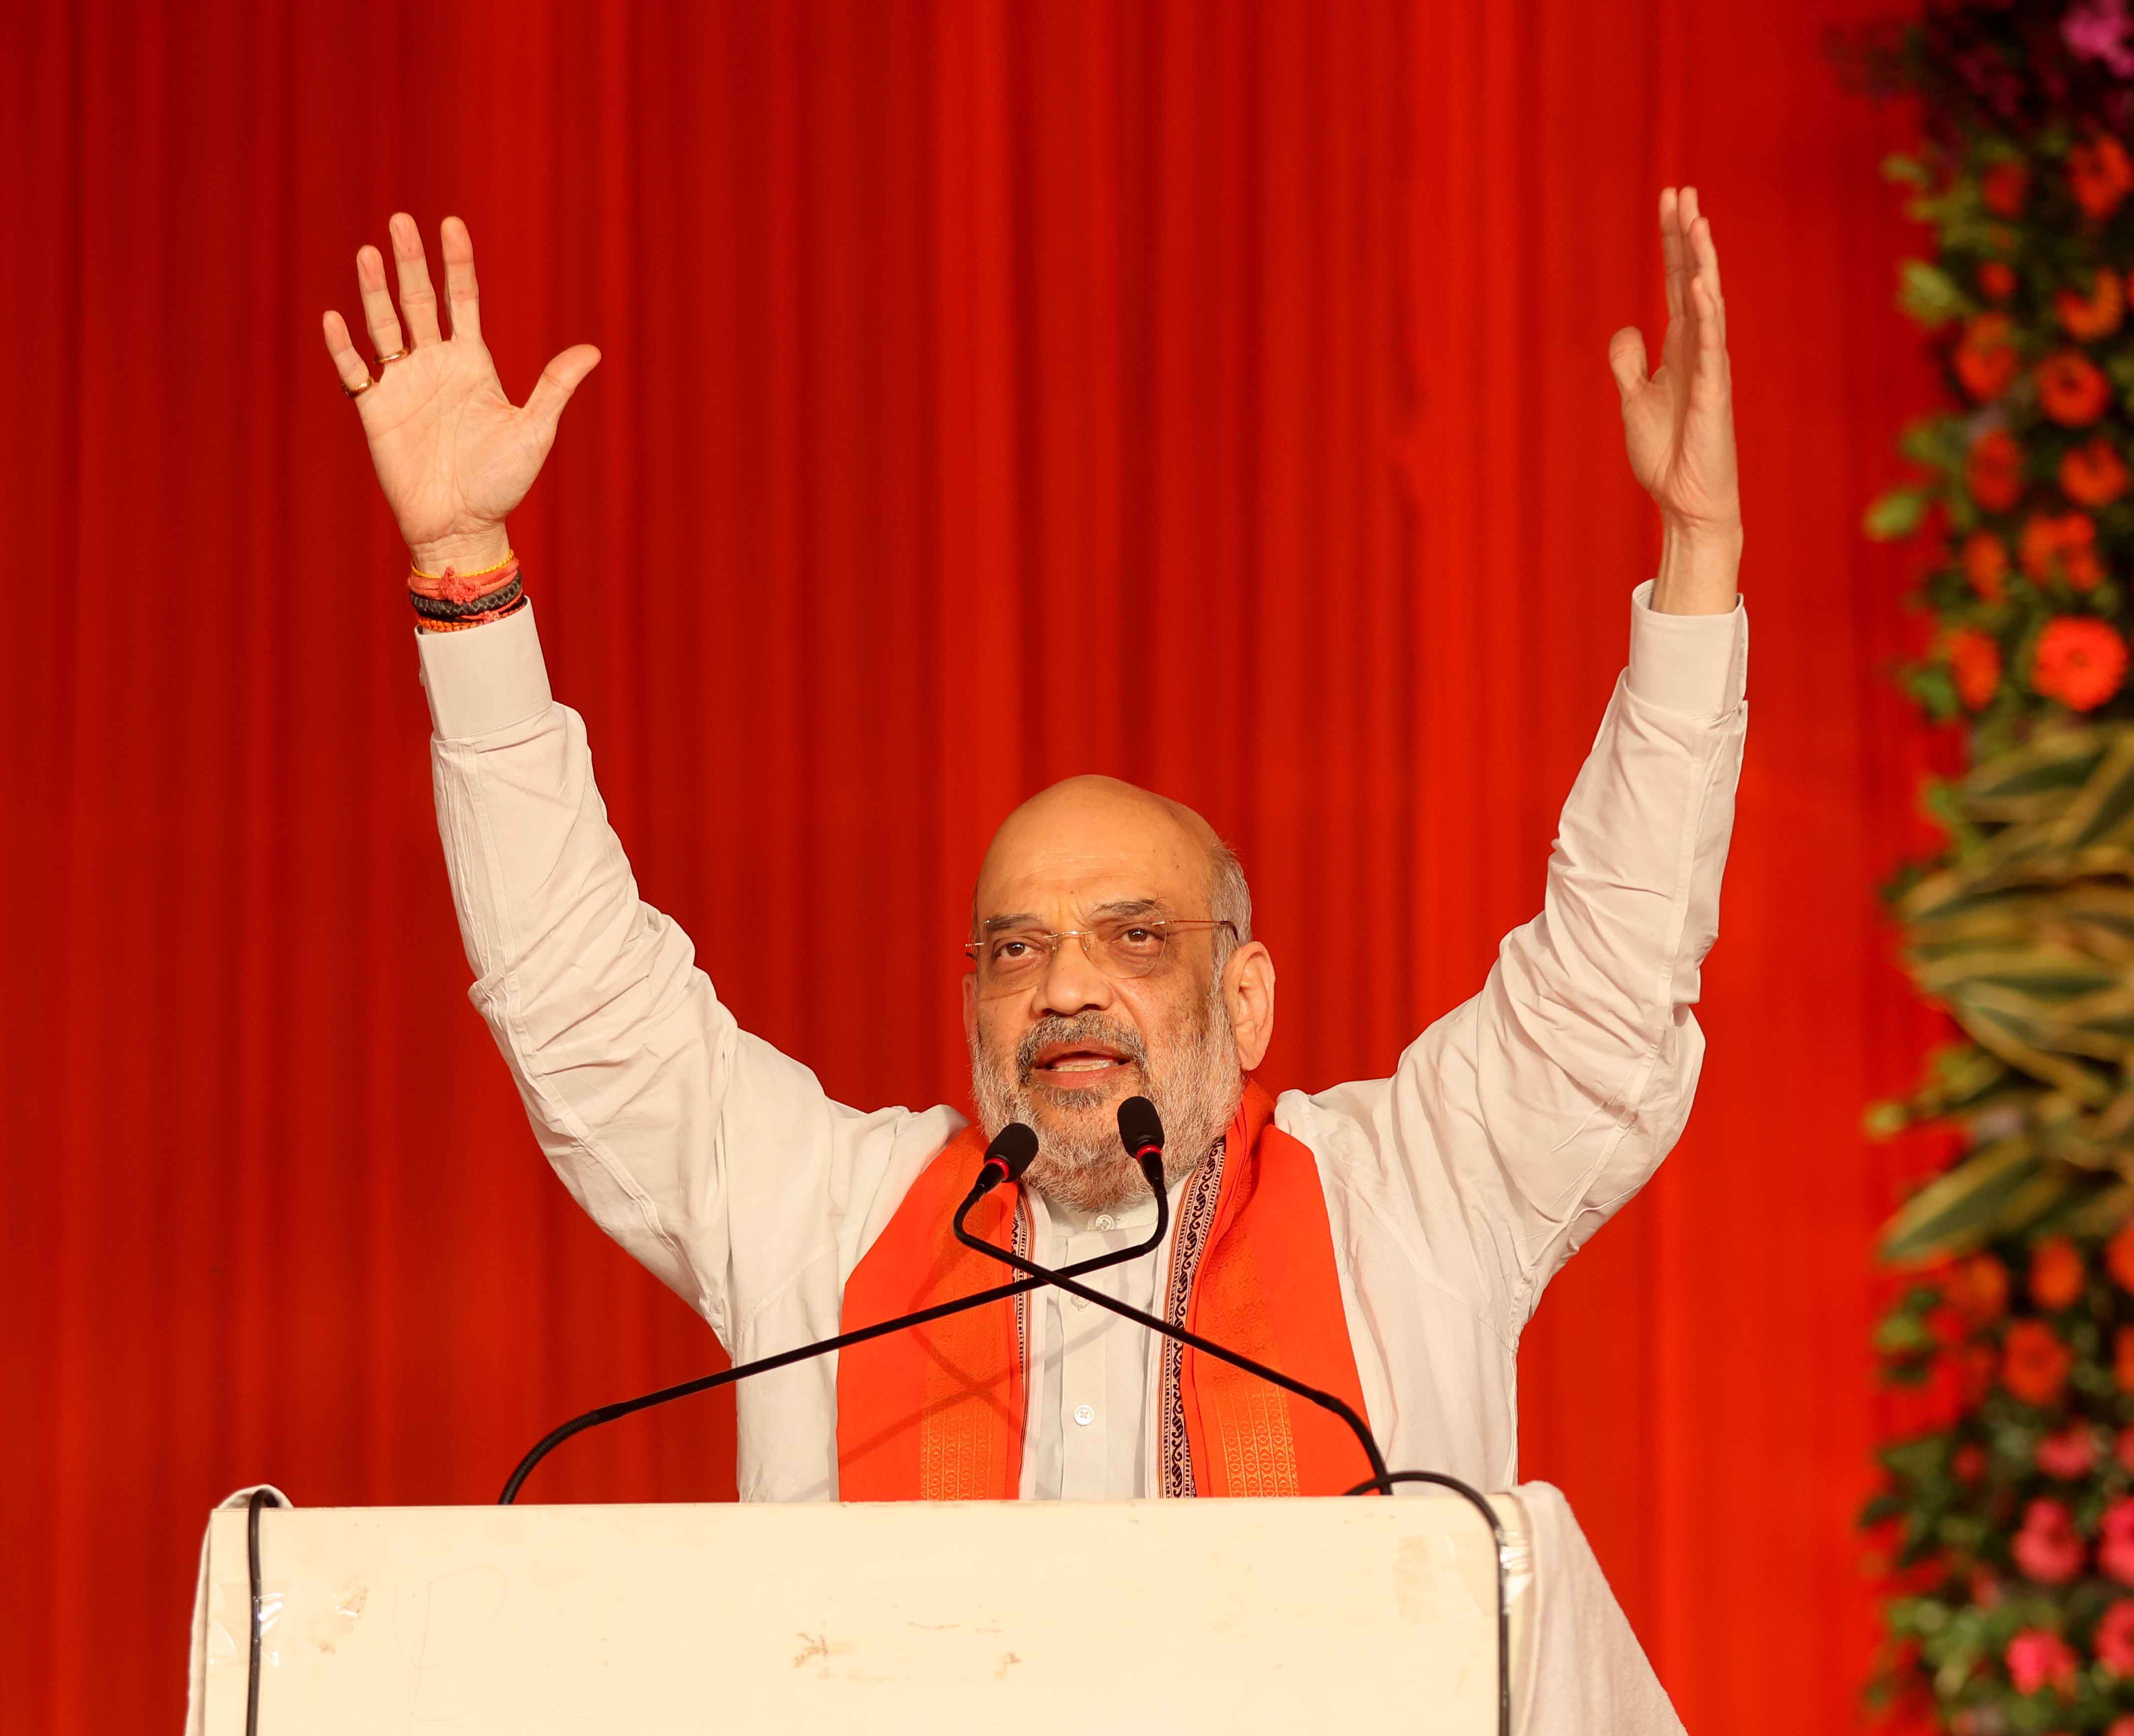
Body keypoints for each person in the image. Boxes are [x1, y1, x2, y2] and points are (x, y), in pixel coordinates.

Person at [321, 187, 1748, 1503]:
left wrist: (1695, 559)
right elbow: (578, 994)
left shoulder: (1413, 1199)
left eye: (1135, 938)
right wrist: (466, 579)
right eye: (1017, 949)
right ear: (971, 1005)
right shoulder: (828, 1219)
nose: (1065, 987)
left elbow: (1607, 979)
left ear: (1244, 998)